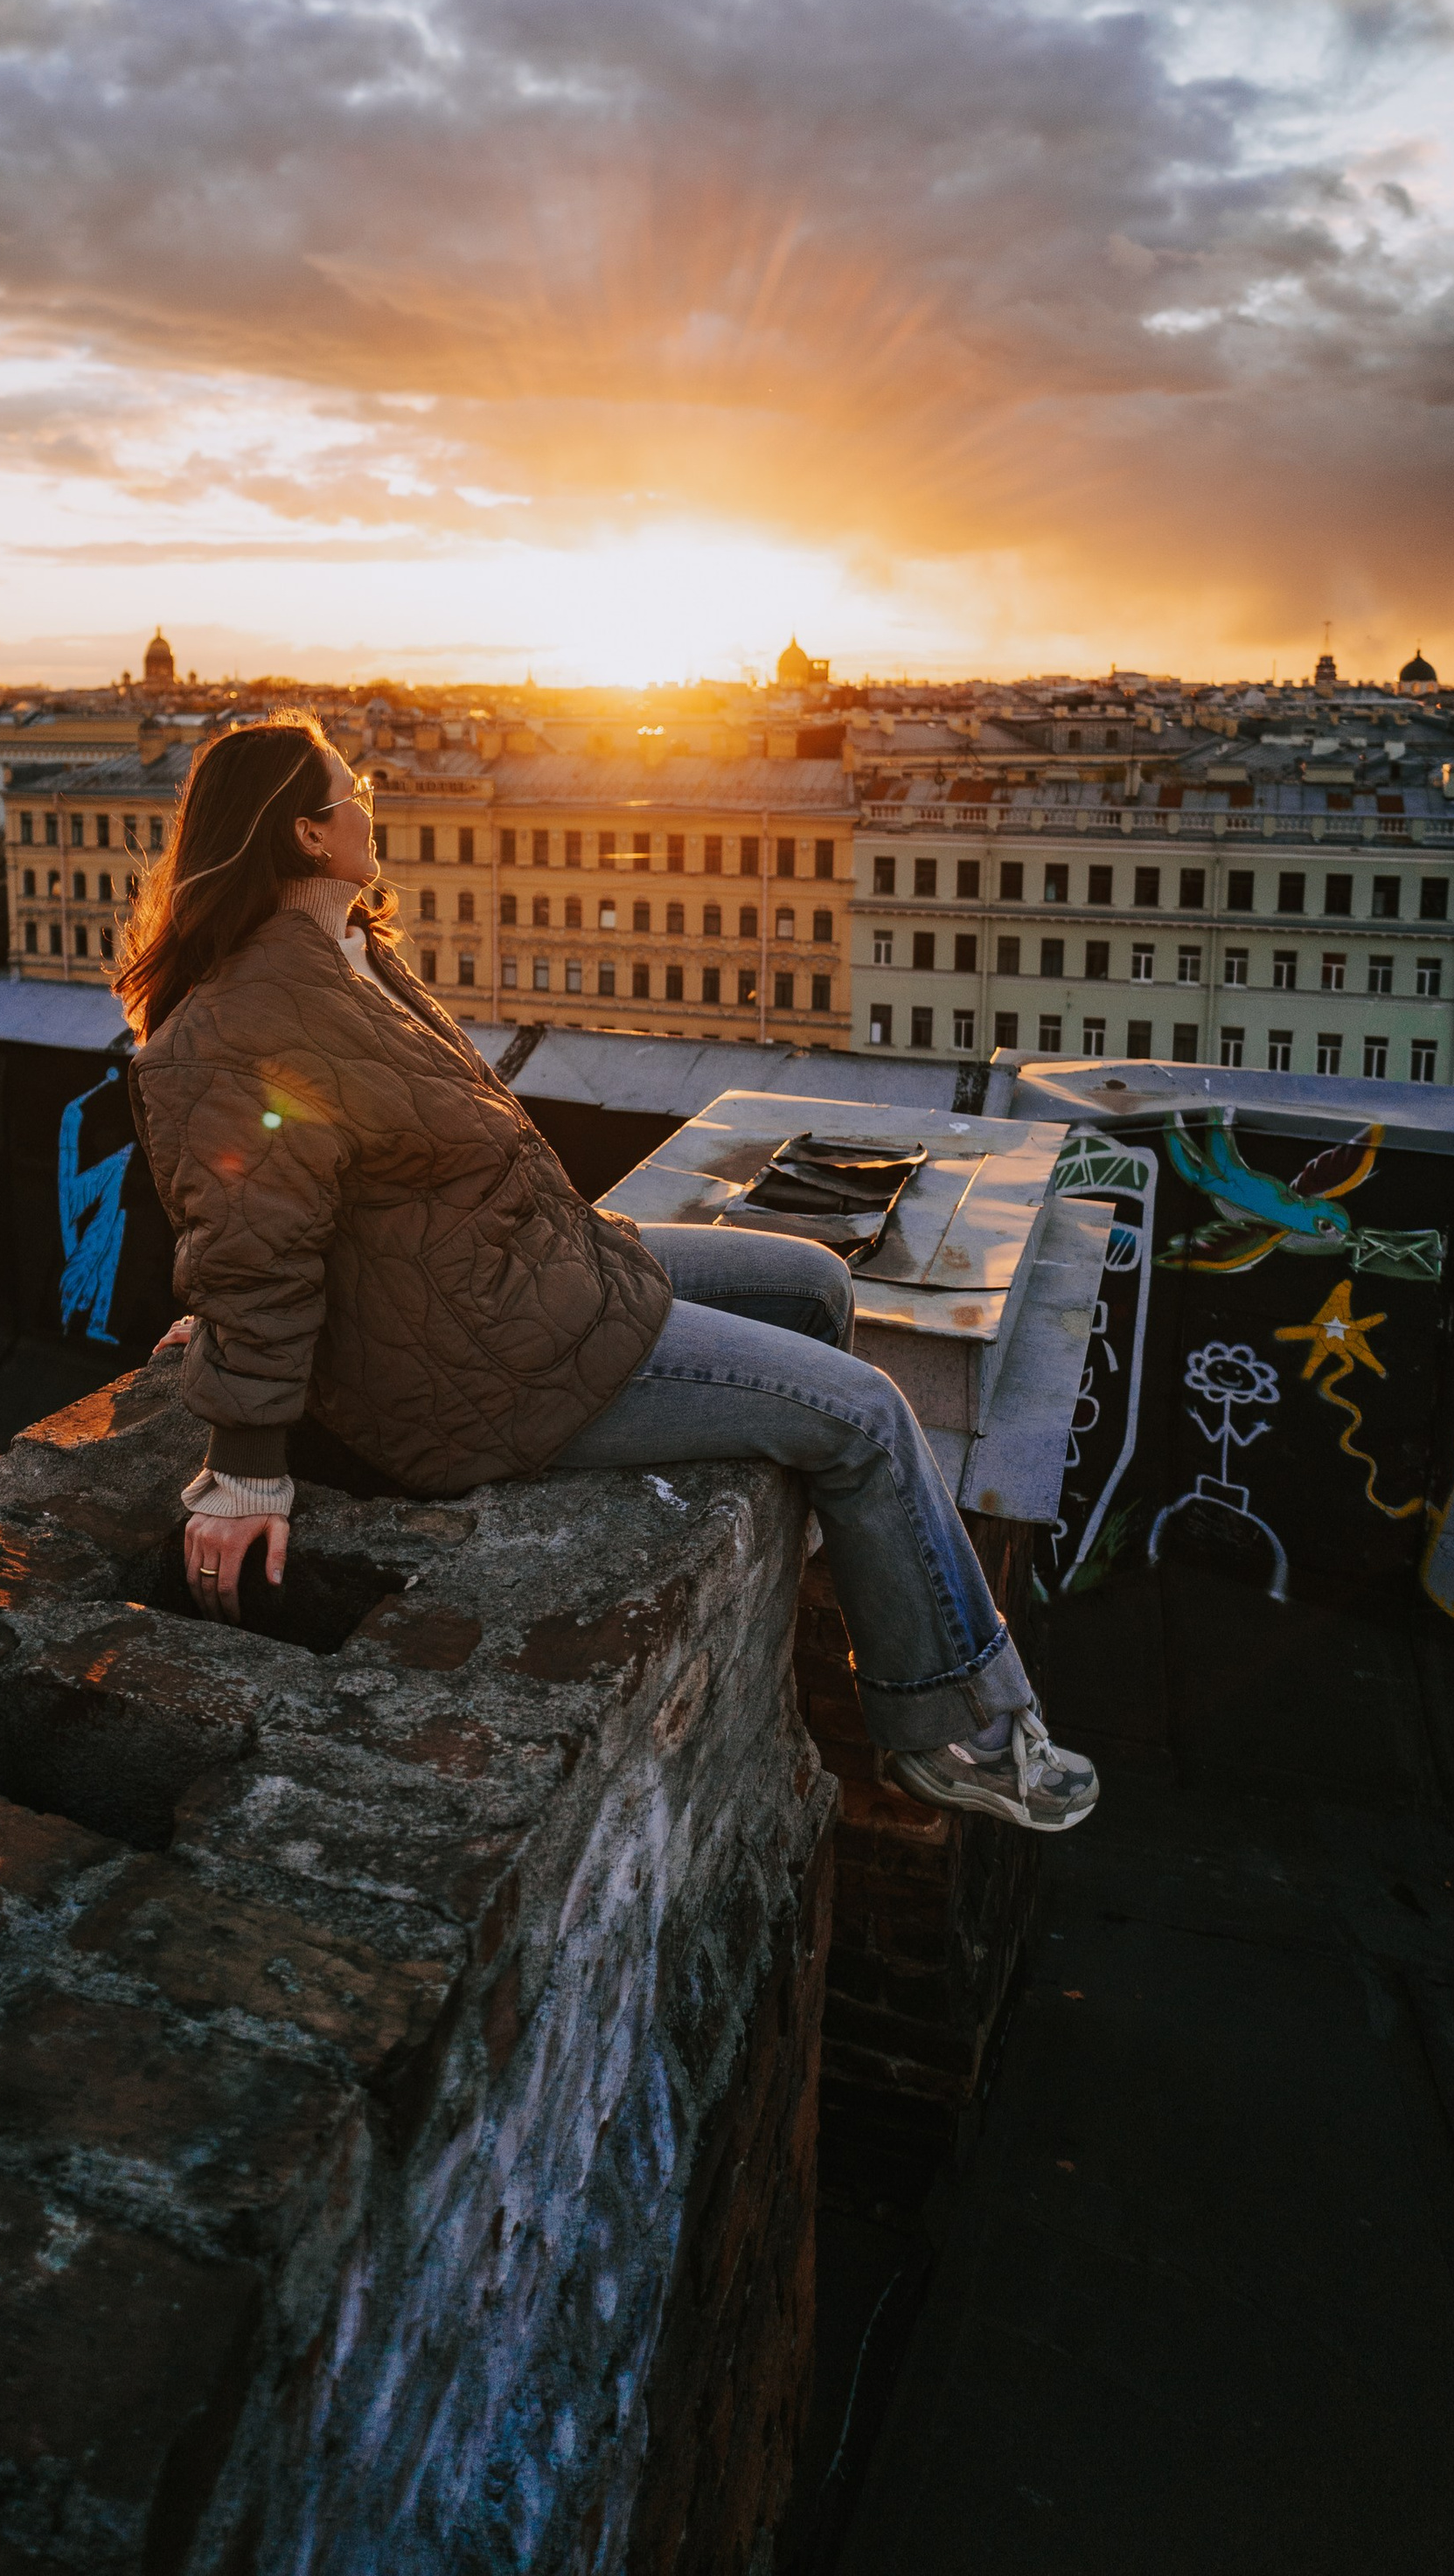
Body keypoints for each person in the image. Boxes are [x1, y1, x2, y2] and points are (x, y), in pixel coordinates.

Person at [120, 719, 1096, 1834]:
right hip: (482, 1369)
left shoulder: (350, 957)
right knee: (866, 1417)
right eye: (356, 791)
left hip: (530, 1273)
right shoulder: (240, 1020)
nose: (370, 807)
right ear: (305, 833)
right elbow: (251, 1243)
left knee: (812, 1284)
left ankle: (847, 1550)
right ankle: (955, 1730)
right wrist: (246, 1460)